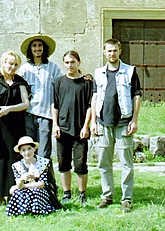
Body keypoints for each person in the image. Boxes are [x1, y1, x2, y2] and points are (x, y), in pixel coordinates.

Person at [90, 38, 141, 213]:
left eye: (115, 50)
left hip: (124, 122)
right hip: (103, 122)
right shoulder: (98, 73)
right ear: (104, 52)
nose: (112, 54)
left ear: (120, 51)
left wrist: (134, 119)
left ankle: (126, 199)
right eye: (108, 51)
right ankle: (107, 196)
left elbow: (136, 96)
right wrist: (93, 122)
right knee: (104, 162)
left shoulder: (130, 71)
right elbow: (95, 97)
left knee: (126, 163)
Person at [0, 51, 30, 206]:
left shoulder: (20, 82)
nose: (12, 67)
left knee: (13, 158)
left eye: (15, 64)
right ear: (3, 63)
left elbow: (26, 104)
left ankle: (13, 193)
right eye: (9, 63)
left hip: (14, 126)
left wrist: (9, 109)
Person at [52, 50, 93, 205]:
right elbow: (54, 105)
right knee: (63, 163)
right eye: (67, 62)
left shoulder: (87, 82)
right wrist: (55, 124)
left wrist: (86, 126)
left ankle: (82, 193)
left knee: (81, 163)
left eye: (73, 62)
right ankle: (67, 193)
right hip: (62, 128)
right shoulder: (59, 82)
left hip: (80, 130)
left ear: (78, 63)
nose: (70, 65)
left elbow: (90, 106)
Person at [18, 34, 61, 160]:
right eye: (34, 46)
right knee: (28, 151)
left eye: (40, 45)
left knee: (44, 152)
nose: (37, 48)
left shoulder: (52, 68)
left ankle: (46, 179)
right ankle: (30, 179)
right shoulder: (25, 69)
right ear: (30, 49)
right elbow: (14, 84)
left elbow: (62, 84)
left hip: (45, 114)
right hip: (28, 114)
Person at [5, 136, 58, 216]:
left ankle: (36, 211)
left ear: (34, 149)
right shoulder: (17, 166)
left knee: (35, 192)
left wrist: (22, 186)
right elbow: (19, 185)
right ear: (20, 152)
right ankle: (22, 211)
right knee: (17, 193)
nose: (27, 152)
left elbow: (41, 184)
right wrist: (22, 179)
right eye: (23, 150)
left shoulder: (43, 163)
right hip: (25, 189)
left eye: (29, 148)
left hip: (42, 190)